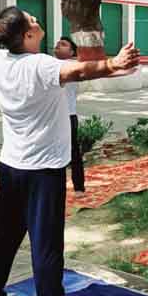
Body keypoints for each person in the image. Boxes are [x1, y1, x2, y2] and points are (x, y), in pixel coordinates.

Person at [0, 6, 140, 296]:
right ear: (27, 35)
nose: (36, 19)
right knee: (46, 244)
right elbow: (82, 71)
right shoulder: (42, 66)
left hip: (11, 167)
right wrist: (114, 62)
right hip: (43, 171)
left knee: (3, 235)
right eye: (31, 19)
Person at [53, 36, 85, 196]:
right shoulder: (48, 63)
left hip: (68, 115)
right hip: (50, 117)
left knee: (73, 152)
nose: (58, 45)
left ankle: (79, 187)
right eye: (58, 43)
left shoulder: (74, 66)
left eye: (63, 44)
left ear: (72, 52)